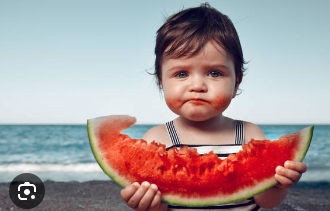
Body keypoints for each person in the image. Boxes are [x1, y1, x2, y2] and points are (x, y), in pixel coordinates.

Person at [120, 3, 307, 211]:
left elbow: (266, 202)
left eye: (214, 73)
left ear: (236, 83)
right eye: (181, 74)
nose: (197, 86)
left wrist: (278, 185)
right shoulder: (156, 139)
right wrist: (148, 204)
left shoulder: (249, 134)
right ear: (161, 81)